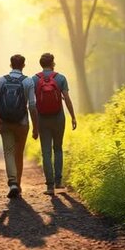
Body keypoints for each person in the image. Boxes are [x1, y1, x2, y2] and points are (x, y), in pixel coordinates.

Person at [32, 53, 77, 196]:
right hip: (58, 117)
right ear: (53, 63)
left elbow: (32, 104)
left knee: (46, 152)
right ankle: (59, 182)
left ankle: (50, 186)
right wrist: (73, 117)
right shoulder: (61, 78)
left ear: (41, 64)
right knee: (58, 148)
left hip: (42, 118)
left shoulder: (34, 79)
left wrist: (34, 123)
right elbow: (67, 99)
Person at [0, 54, 38, 198]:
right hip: (22, 122)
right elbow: (32, 105)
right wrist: (35, 127)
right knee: (19, 153)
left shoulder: (1, 80)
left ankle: (12, 182)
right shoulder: (28, 81)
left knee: (8, 152)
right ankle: (17, 184)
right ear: (23, 65)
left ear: (10, 64)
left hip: (6, 122)